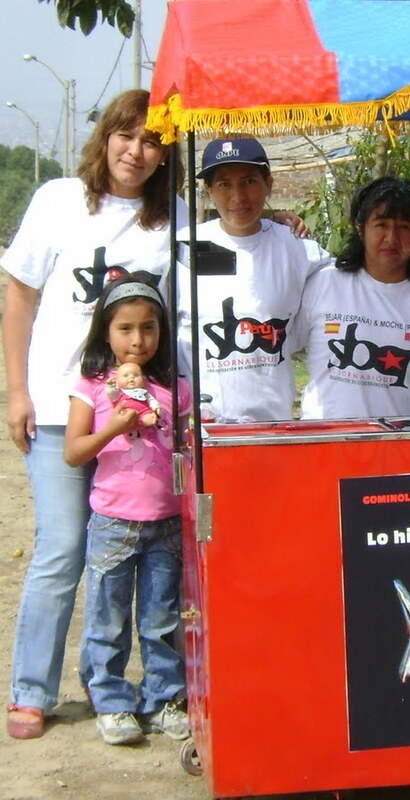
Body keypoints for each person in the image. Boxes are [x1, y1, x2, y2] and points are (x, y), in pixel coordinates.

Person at [1, 89, 187, 740]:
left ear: (166, 154)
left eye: (153, 141)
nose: (136, 152)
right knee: (62, 547)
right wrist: (17, 392)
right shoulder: (59, 200)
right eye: (126, 136)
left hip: (138, 422)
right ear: (105, 137)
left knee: (150, 557)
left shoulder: (173, 218)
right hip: (62, 410)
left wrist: (284, 224)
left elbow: (224, 251)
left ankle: (155, 688)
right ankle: (32, 689)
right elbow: (19, 299)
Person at [63, 275, 190, 745]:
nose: (138, 340)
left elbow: (187, 447)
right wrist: (113, 429)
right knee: (108, 618)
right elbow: (73, 452)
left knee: (162, 620)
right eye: (125, 329)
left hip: (167, 524)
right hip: (113, 524)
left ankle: (162, 698)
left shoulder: (175, 387)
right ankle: (112, 700)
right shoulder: (93, 386)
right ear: (105, 332)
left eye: (149, 328)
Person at [292, 177, 410, 419]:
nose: (392, 238)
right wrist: (274, 228)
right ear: (360, 228)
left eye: (404, 227)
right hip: (328, 440)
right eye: (381, 224)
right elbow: (278, 338)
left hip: (409, 441)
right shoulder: (324, 282)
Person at [177, 137, 330, 422]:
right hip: (202, 428)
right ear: (208, 190)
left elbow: (351, 284)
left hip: (273, 425)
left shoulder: (298, 248)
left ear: (268, 184)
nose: (238, 197)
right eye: (224, 184)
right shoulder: (184, 248)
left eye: (249, 181)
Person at [106, 362, 162, 428]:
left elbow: (151, 400)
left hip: (143, 412)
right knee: (123, 418)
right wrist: (111, 386)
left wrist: (156, 407)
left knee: (148, 416)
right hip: (125, 413)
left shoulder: (143, 392)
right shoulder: (119, 392)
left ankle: (147, 420)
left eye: (136, 375)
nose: (131, 377)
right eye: (126, 376)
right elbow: (112, 396)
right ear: (117, 381)